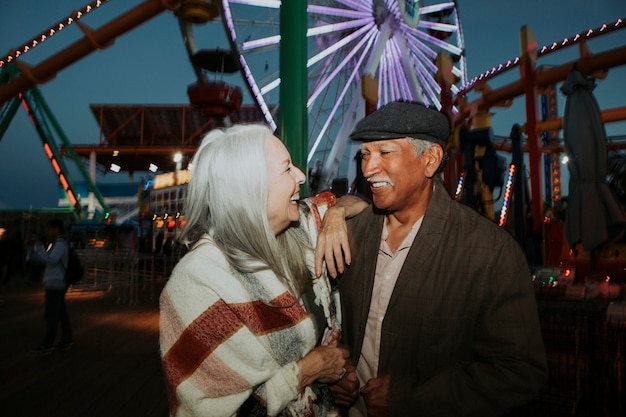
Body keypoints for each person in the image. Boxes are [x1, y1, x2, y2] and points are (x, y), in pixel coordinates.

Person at [316, 101, 548, 417]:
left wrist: (409, 400)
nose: (369, 168)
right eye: (366, 155)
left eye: (385, 153)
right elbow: (336, 324)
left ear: (430, 160)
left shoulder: (490, 253)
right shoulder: (350, 236)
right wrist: (338, 369)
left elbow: (518, 371)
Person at [159, 123, 368, 416]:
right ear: (250, 189)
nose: (301, 175)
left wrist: (336, 214)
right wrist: (308, 372)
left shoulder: (302, 228)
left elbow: (358, 202)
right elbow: (207, 409)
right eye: (286, 169)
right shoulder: (200, 280)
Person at [29, 218, 73, 355]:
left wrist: (39, 247)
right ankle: (66, 339)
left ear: (56, 229)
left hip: (55, 283)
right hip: (57, 282)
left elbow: (51, 260)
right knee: (61, 313)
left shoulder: (60, 244)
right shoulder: (60, 243)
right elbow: (50, 259)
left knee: (52, 315)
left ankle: (48, 344)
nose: (48, 232)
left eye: (50, 229)